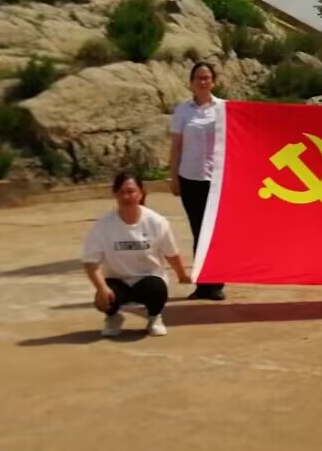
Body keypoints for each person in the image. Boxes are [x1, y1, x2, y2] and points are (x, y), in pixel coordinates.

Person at [83, 171, 191, 338]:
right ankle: (113, 317)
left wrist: (182, 275)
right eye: (122, 192)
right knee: (103, 297)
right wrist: (101, 288)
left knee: (157, 289)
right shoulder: (103, 226)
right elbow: (91, 262)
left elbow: (171, 253)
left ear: (140, 193)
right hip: (118, 280)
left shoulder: (157, 222)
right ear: (115, 194)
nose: (127, 196)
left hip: (148, 279)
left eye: (131, 191)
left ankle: (154, 317)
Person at [168, 60, 228, 301]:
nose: (202, 82)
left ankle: (217, 284)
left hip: (217, 180)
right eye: (198, 78)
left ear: (213, 82)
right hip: (190, 178)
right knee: (199, 231)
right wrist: (173, 177)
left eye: (206, 78)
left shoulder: (224, 108)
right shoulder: (182, 111)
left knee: (216, 233)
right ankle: (203, 284)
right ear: (191, 83)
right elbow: (176, 147)